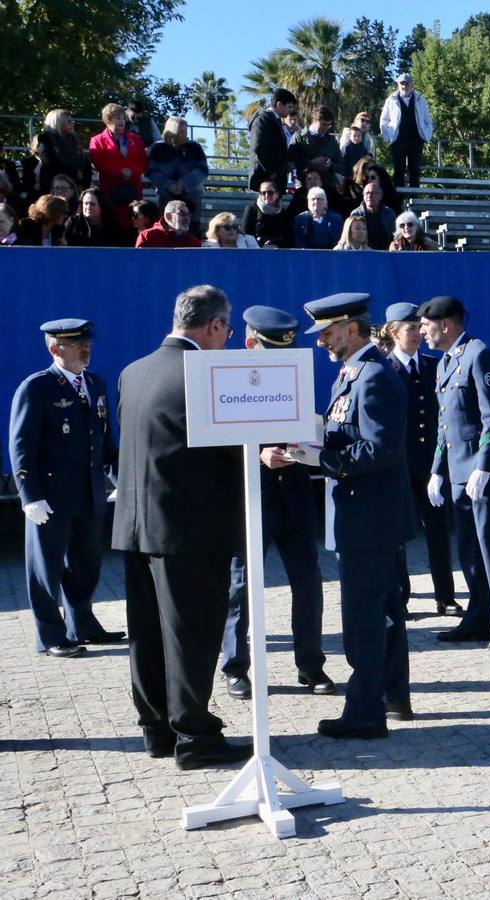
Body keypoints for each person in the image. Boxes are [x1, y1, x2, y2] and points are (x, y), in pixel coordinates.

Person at [112, 285, 250, 769]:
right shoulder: (204, 374)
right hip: (190, 532)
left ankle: (156, 730)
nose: (228, 341)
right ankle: (195, 738)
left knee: (146, 634)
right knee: (191, 635)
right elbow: (227, 453)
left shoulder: (134, 371)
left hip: (135, 526)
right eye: (228, 331)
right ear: (213, 326)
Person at [289, 293, 416, 736]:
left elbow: (380, 449)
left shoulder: (374, 376)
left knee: (364, 617)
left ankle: (364, 713)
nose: (322, 341)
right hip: (367, 514)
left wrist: (314, 459)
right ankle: (394, 696)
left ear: (352, 328)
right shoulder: (354, 372)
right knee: (385, 610)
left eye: (327, 332)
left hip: (369, 517)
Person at [217, 307, 332, 701]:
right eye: (270, 349)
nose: (280, 358)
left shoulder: (292, 377)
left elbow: (304, 427)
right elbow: (218, 443)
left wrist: (312, 442)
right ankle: (234, 667)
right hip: (251, 497)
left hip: (294, 495)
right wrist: (258, 454)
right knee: (241, 587)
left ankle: (311, 665)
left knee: (308, 583)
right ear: (251, 344)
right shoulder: (229, 380)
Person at [9, 318, 123, 658]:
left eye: (87, 342)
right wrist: (29, 495)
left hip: (89, 492)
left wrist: (124, 482)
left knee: (87, 564)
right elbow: (21, 446)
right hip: (51, 495)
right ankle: (51, 635)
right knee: (46, 568)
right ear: (55, 348)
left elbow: (105, 444)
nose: (85, 348)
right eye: (76, 344)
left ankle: (83, 625)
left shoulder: (96, 384)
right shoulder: (37, 387)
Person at [419, 296, 490, 652]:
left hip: (481, 474)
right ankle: (479, 616)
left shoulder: (479, 356)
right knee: (468, 550)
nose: (422, 331)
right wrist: (436, 470)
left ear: (446, 324)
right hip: (457, 473)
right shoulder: (445, 363)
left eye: (426, 325)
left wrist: (485, 466)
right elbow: (444, 425)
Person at [382, 303, 460, 619]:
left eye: (419, 327)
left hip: (431, 466)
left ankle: (446, 596)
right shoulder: (385, 370)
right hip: (399, 466)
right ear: (393, 332)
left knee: (439, 531)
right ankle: (400, 597)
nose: (417, 334)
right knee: (398, 534)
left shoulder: (434, 365)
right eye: (410, 328)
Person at [87, 103, 148, 231]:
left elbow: (143, 162)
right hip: (111, 192)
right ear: (108, 120)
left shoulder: (135, 139)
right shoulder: (96, 140)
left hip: (133, 190)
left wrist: (131, 171)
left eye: (122, 117)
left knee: (134, 224)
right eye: (117, 118)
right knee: (112, 226)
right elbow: (99, 163)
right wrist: (120, 171)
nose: (121, 121)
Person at [146, 117, 208, 230]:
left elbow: (202, 170)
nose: (185, 134)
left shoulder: (195, 147)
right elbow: (151, 171)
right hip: (166, 196)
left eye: (186, 131)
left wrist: (184, 183)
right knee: (166, 228)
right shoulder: (158, 148)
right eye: (181, 132)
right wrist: (168, 185)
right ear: (172, 133)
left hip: (192, 196)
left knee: (192, 229)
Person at [380, 74, 433, 189]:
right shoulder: (391, 100)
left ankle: (415, 200)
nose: (404, 86)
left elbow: (428, 120)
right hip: (398, 140)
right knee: (399, 169)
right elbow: (384, 120)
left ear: (411, 84)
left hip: (416, 140)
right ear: (398, 85)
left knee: (415, 169)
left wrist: (426, 135)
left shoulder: (420, 99)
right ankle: (398, 201)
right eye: (402, 83)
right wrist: (388, 136)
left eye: (407, 83)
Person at [248, 89, 296, 191]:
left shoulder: (275, 120)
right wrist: (271, 173)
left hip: (275, 178)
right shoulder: (263, 119)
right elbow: (259, 148)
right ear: (279, 104)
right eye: (289, 107)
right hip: (266, 179)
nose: (290, 111)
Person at [288, 106, 342, 193]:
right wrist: (310, 162)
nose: (326, 128)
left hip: (328, 187)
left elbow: (341, 165)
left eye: (328, 125)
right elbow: (291, 162)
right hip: (304, 187)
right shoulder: (299, 138)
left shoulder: (332, 141)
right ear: (314, 120)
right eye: (323, 124)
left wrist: (330, 165)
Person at [350, 180, 396, 250]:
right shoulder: (356, 214)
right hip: (364, 252)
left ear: (381, 196)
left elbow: (394, 235)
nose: (369, 196)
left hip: (386, 252)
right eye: (367, 193)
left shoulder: (389, 213)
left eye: (373, 193)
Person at [134, 200, 201, 248]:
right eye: (182, 214)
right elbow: (139, 264)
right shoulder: (148, 237)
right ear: (168, 216)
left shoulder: (193, 242)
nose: (187, 218)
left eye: (188, 215)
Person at [241, 182, 289, 248]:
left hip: (278, 251)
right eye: (263, 193)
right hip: (256, 250)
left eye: (270, 193)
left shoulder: (284, 212)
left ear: (277, 194)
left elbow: (288, 237)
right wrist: (260, 246)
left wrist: (277, 246)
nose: (266, 195)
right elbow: (246, 234)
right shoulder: (252, 210)